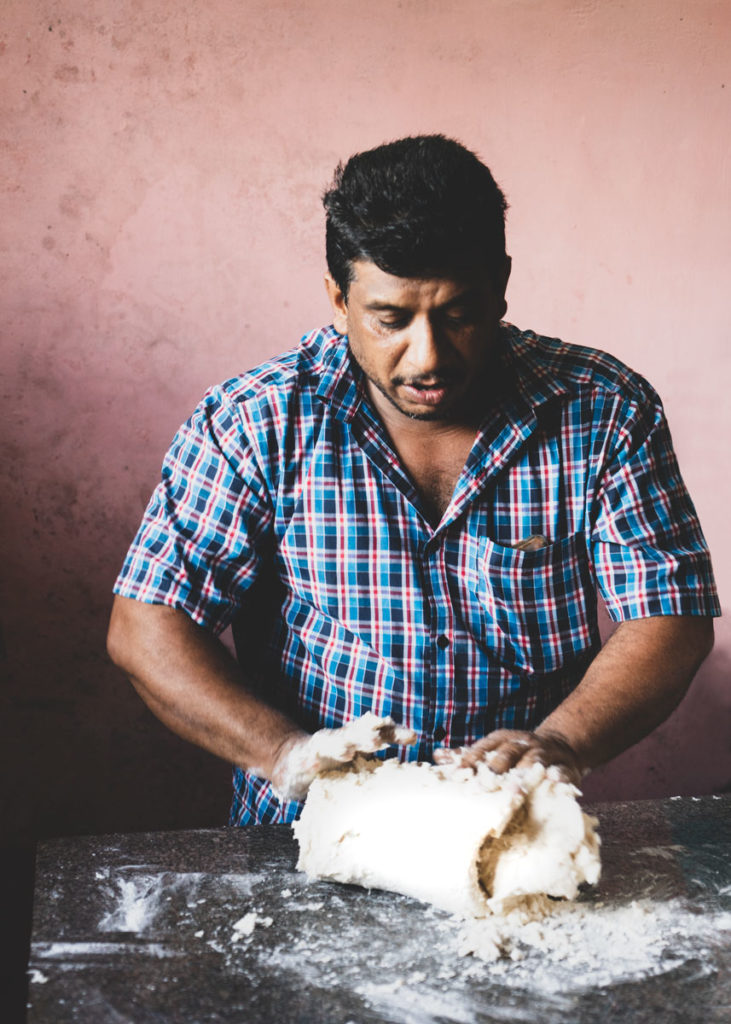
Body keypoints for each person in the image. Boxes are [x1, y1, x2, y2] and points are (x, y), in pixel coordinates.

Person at [107, 135, 719, 825]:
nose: (427, 358)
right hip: (305, 832)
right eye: (391, 319)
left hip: (512, 821)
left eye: (457, 314)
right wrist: (286, 755)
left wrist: (559, 743)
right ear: (339, 299)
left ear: (502, 285)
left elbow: (669, 612)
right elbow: (146, 623)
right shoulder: (253, 422)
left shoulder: (604, 410)